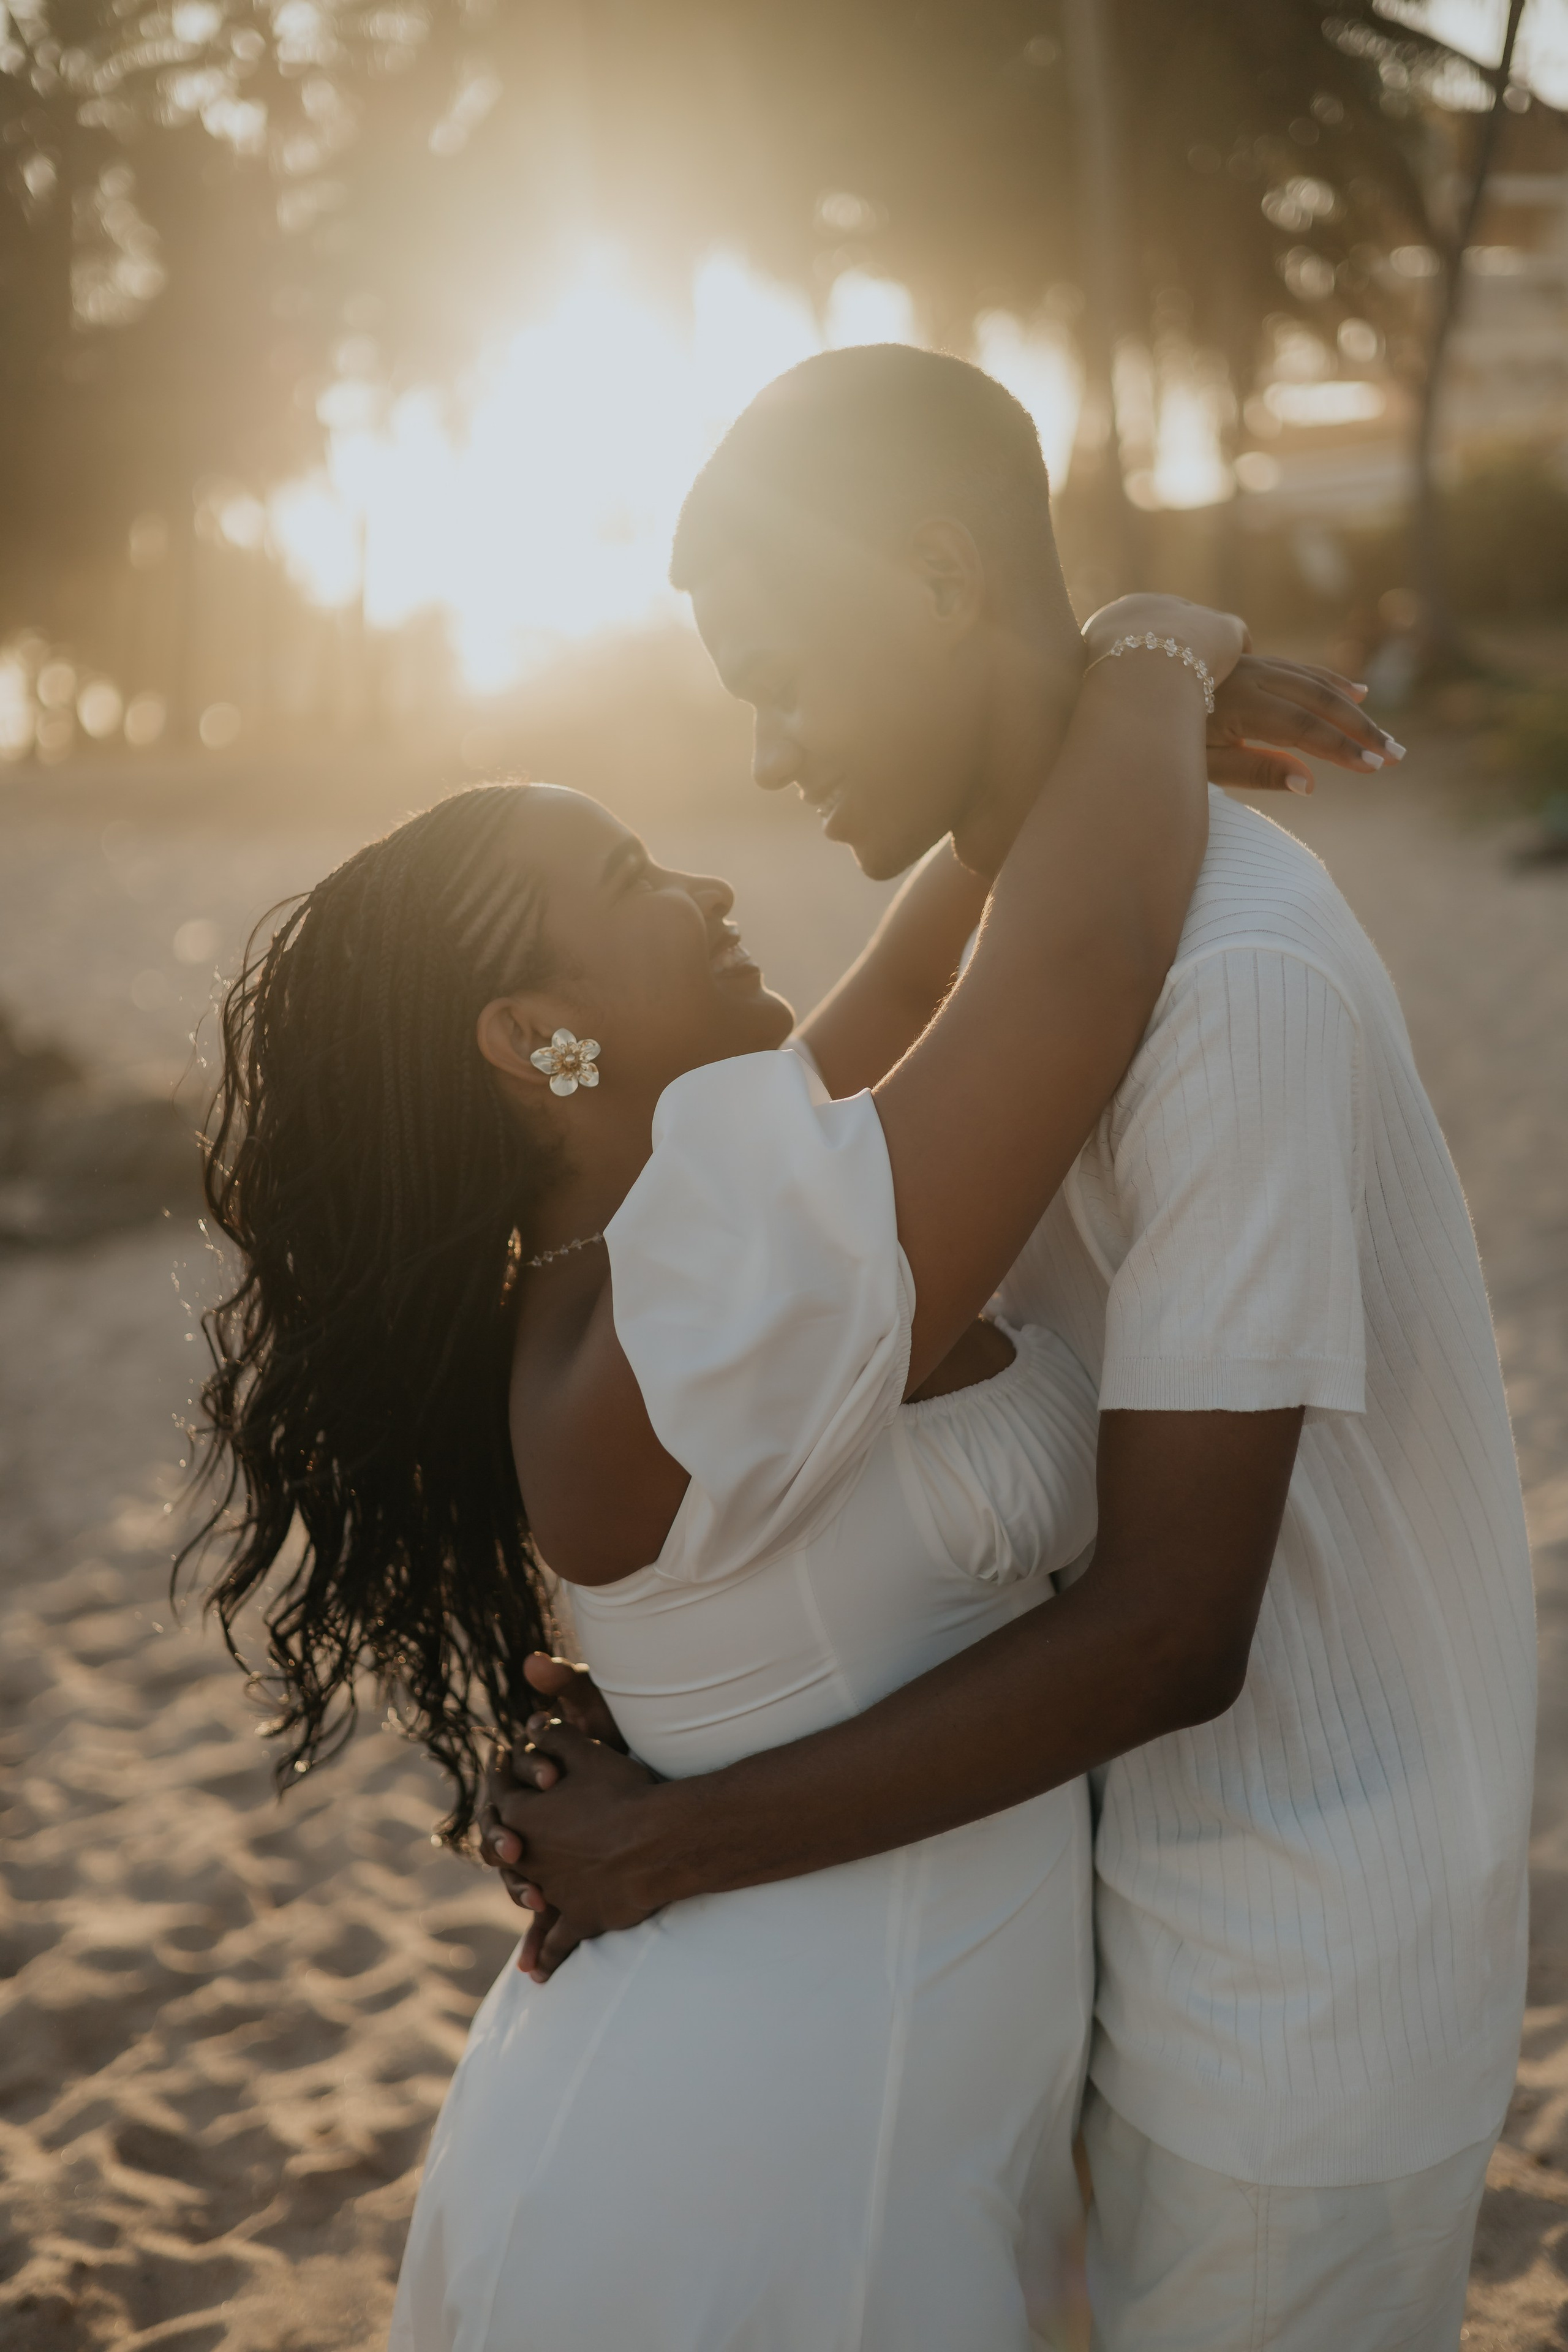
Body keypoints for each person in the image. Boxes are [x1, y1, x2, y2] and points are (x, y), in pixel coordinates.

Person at [481, 346, 1537, 2352]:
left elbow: (1172, 1630)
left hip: (1289, 1975)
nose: (775, 756)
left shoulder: (1228, 981)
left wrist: (678, 1834)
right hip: (1105, 1908)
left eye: (788, 675)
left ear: (947, 579)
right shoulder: (1037, 945)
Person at [190, 578, 1289, 2346]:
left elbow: (934, 965)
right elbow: (1073, 972)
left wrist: (1073, 719)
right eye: (631, 883)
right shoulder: (684, 1316)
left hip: (861, 2085)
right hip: (773, 2140)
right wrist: (1163, 647)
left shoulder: (664, 1241)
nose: (698, 885)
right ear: (531, 1035)